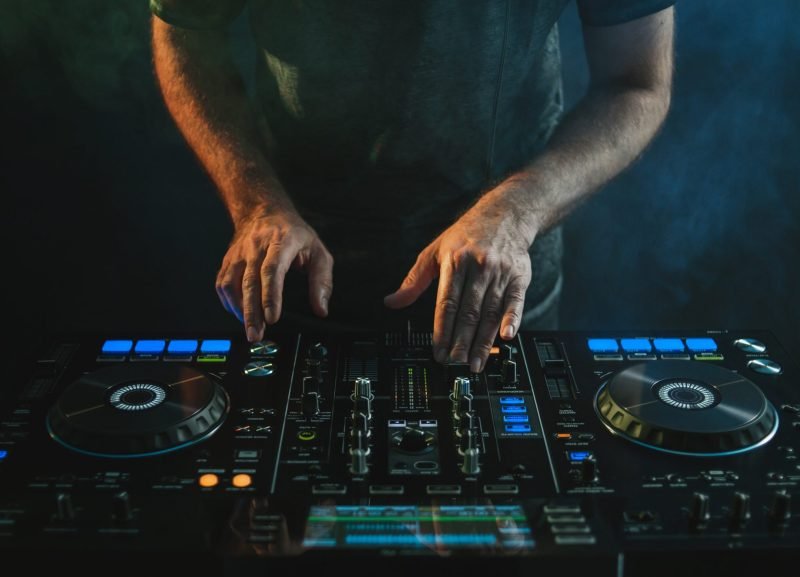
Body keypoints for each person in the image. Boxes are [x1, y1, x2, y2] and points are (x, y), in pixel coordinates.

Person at [151, 1, 674, 372]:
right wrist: (255, 202)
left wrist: (515, 214)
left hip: (495, 289)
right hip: (290, 283)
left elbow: (636, 85)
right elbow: (184, 32)